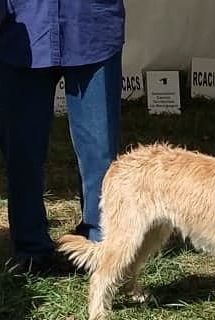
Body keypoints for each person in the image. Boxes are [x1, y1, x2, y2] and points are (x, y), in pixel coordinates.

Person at [0, 1, 124, 273]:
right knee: (22, 151)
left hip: (91, 25)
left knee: (99, 152)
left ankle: (98, 244)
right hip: (23, 31)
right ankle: (30, 248)